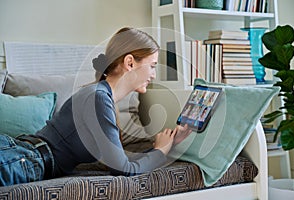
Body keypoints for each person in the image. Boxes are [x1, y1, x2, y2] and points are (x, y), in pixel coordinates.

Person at [0, 27, 191, 186]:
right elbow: (124, 170)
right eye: (152, 65)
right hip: (21, 160)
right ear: (130, 63)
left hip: (21, 154)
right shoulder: (98, 98)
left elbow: (120, 160)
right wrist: (160, 152)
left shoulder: (101, 95)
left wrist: (168, 145)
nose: (154, 75)